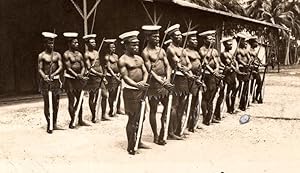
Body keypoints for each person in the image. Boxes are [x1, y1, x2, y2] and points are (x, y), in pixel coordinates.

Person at [118, 30, 150, 155]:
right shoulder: (123, 60)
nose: (136, 47)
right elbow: (125, 77)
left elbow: (146, 71)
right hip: (130, 92)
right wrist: (137, 85)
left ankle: (139, 141)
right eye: (133, 45)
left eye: (137, 44)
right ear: (126, 45)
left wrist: (144, 82)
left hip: (142, 90)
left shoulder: (139, 58)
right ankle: (131, 145)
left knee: (141, 117)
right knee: (132, 118)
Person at [141, 25, 173, 145]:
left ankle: (163, 130)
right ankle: (155, 135)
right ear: (148, 37)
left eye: (158, 36)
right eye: (154, 36)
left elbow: (168, 65)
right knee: (153, 109)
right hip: (154, 84)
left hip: (165, 82)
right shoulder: (145, 52)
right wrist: (160, 81)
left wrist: (168, 79)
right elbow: (150, 70)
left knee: (167, 107)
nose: (157, 39)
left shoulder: (162, 50)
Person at [165, 24, 194, 139]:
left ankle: (178, 129)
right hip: (176, 78)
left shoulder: (182, 50)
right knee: (174, 105)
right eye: (176, 36)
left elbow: (189, 64)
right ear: (172, 37)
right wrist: (187, 71)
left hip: (184, 79)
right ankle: (170, 132)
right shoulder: (170, 49)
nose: (180, 37)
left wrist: (187, 71)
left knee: (182, 105)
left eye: (180, 35)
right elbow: (178, 64)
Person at [63, 32, 89, 129]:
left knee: (80, 100)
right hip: (70, 79)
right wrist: (76, 75)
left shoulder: (79, 54)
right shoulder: (66, 54)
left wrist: (81, 74)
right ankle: (72, 120)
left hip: (79, 79)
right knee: (71, 100)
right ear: (69, 44)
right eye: (75, 43)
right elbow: (68, 67)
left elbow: (83, 66)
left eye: (77, 43)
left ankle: (80, 119)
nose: (77, 44)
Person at [38, 32, 63, 134]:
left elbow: (61, 67)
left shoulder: (57, 55)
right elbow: (39, 69)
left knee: (56, 103)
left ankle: (54, 123)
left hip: (55, 81)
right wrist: (45, 77)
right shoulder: (41, 55)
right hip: (45, 82)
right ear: (45, 44)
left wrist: (54, 74)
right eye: (49, 43)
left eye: (52, 43)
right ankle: (49, 124)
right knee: (47, 103)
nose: (51, 45)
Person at [83, 34, 110, 123]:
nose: (94, 43)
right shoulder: (86, 54)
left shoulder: (96, 52)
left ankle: (103, 114)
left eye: (94, 42)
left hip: (100, 77)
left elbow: (99, 65)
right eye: (92, 42)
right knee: (92, 97)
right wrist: (98, 74)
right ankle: (94, 115)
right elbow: (89, 68)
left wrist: (103, 76)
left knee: (105, 95)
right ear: (87, 44)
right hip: (92, 78)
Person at [199, 30, 223, 126]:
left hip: (215, 75)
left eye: (213, 38)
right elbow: (205, 63)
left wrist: (217, 69)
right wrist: (213, 72)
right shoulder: (202, 50)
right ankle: (205, 116)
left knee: (213, 96)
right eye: (210, 38)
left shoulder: (215, 51)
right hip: (207, 75)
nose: (212, 40)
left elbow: (217, 62)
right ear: (205, 40)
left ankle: (211, 116)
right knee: (206, 96)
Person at [182, 31, 204, 132]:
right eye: (193, 40)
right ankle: (188, 123)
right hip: (190, 78)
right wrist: (192, 76)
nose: (195, 41)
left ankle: (194, 122)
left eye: (196, 39)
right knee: (189, 101)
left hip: (198, 78)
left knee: (196, 101)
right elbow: (186, 66)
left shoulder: (196, 52)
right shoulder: (185, 52)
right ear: (188, 41)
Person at [219, 36, 244, 114]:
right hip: (227, 75)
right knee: (227, 91)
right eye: (229, 44)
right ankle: (229, 108)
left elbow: (235, 62)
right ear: (225, 45)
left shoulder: (230, 53)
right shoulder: (223, 54)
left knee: (234, 90)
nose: (231, 46)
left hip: (233, 75)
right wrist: (237, 71)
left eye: (231, 44)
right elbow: (228, 63)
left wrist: (236, 69)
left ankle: (232, 107)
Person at [104, 39, 123, 117]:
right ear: (108, 48)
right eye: (111, 47)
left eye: (114, 47)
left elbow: (118, 65)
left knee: (118, 92)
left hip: (118, 76)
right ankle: (111, 110)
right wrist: (114, 76)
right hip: (111, 77)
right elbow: (109, 68)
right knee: (112, 93)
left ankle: (118, 109)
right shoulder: (107, 57)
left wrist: (119, 73)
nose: (113, 49)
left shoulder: (116, 56)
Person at [235, 32, 251, 111]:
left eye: (245, 40)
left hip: (247, 68)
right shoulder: (237, 50)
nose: (245, 42)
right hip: (241, 68)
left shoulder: (246, 50)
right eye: (243, 40)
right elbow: (239, 59)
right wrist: (244, 64)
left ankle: (244, 103)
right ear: (239, 41)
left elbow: (249, 57)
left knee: (246, 86)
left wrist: (249, 63)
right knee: (240, 85)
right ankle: (240, 103)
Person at [247, 36, 263, 104]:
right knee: (252, 84)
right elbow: (251, 60)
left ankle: (257, 96)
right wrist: (256, 63)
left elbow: (258, 60)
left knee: (259, 83)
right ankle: (252, 98)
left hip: (256, 69)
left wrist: (261, 63)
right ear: (252, 43)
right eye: (255, 42)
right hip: (251, 69)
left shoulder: (254, 51)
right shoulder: (249, 51)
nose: (257, 44)